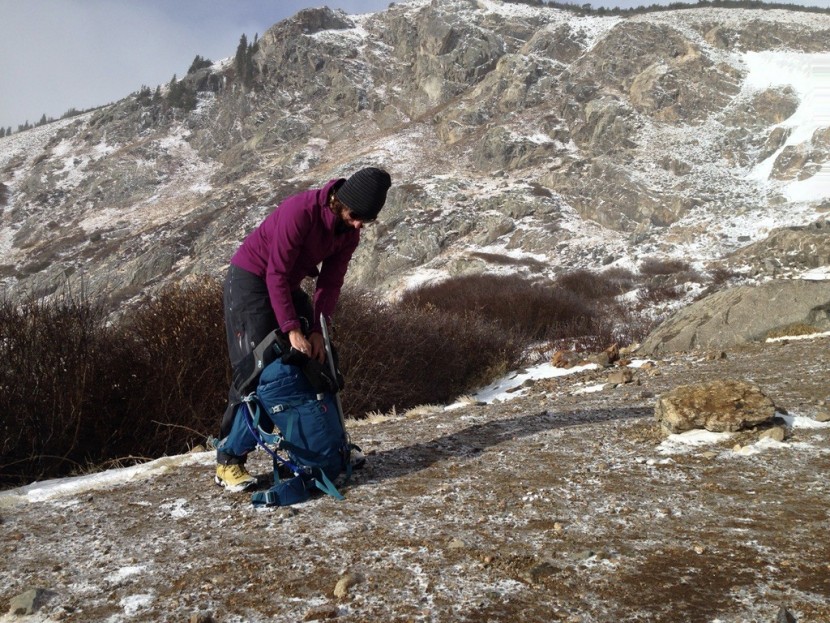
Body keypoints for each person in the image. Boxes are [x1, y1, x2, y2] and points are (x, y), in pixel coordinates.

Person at [214, 167, 392, 491]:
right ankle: (228, 461)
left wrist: (317, 332)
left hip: (285, 283)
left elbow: (330, 282)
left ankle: (329, 450)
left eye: (365, 221)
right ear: (339, 201)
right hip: (251, 282)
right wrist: (292, 328)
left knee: (316, 360)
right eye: (355, 216)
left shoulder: (349, 233)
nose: (358, 225)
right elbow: (275, 274)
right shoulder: (300, 212)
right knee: (258, 370)